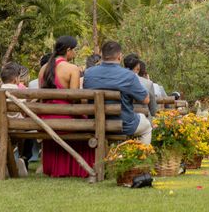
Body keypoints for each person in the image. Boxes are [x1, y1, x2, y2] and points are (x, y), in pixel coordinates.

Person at [39, 36, 95, 178]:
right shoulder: (72, 69)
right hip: (65, 118)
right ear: (68, 51)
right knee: (89, 124)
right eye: (74, 50)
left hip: (45, 119)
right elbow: (75, 99)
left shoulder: (43, 69)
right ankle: (78, 168)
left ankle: (55, 168)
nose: (75, 53)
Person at [83, 41, 152, 144]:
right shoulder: (128, 75)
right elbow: (146, 99)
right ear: (120, 57)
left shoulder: (88, 73)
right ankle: (141, 157)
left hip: (95, 124)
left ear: (102, 55)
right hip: (123, 125)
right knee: (146, 127)